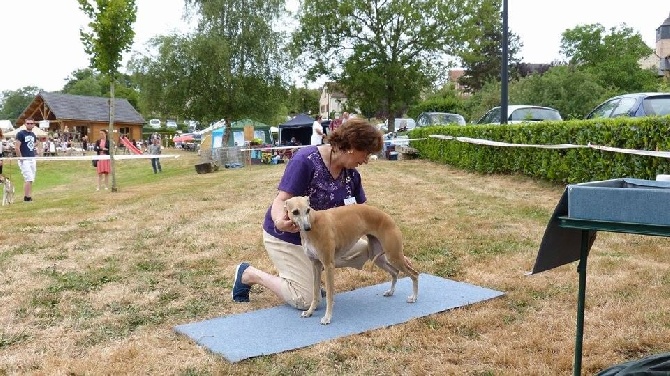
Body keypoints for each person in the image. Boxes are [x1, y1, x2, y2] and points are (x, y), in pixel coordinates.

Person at [231, 118, 385, 309]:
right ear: (352, 146)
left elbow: (366, 214)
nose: (366, 160)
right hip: (288, 238)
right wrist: (280, 221)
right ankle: (249, 274)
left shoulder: (352, 175)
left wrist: (390, 247)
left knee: (370, 249)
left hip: (322, 239)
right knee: (305, 300)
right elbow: (281, 200)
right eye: (366, 153)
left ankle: (311, 272)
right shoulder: (305, 161)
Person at [15, 118, 40, 202]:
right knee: (28, 178)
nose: (29, 125)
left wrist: (36, 147)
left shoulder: (33, 134)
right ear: (25, 124)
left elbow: (36, 142)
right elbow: (17, 147)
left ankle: (29, 195)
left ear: (33, 125)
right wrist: (21, 158)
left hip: (32, 158)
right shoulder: (20, 133)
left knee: (31, 178)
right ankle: (26, 198)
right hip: (24, 159)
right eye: (28, 123)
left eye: (31, 123)